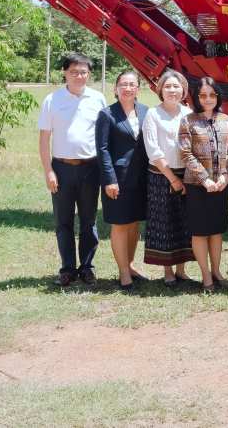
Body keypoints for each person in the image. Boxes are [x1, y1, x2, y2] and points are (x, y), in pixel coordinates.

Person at [38, 52, 109, 286]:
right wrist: (49, 171)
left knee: (89, 221)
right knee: (63, 222)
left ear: (89, 74)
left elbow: (105, 136)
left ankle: (87, 268)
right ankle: (67, 269)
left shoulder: (98, 99)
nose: (79, 76)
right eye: (74, 72)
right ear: (64, 73)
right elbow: (44, 139)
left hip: (90, 168)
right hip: (62, 168)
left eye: (83, 72)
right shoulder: (52, 100)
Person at [179, 77, 228, 293]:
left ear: (218, 96)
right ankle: (205, 276)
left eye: (212, 95)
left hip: (221, 185)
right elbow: (185, 153)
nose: (208, 99)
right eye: (203, 95)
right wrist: (204, 179)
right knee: (200, 232)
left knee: (216, 230)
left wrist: (225, 175)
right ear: (196, 97)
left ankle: (217, 271)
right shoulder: (188, 121)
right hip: (197, 185)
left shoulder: (225, 119)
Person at [95, 70, 149, 292]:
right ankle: (123, 273)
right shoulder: (107, 114)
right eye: (123, 84)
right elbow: (102, 149)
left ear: (138, 88)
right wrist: (110, 179)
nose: (128, 88)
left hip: (142, 177)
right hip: (117, 179)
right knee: (120, 224)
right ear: (116, 89)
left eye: (132, 84)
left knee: (134, 223)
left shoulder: (146, 111)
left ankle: (131, 265)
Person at [142, 70, 194, 285]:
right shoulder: (153, 114)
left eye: (176, 86)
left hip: (187, 175)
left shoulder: (189, 113)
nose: (172, 90)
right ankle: (168, 271)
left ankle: (181, 269)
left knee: (185, 222)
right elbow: (153, 151)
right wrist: (172, 179)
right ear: (160, 90)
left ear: (184, 90)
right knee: (165, 222)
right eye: (168, 86)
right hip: (162, 175)